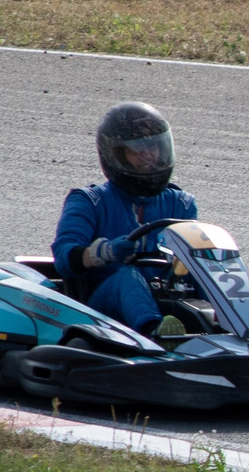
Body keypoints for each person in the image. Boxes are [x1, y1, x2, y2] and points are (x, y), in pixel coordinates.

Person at [53, 101, 196, 338]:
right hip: (103, 308)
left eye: (153, 147)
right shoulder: (89, 201)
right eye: (137, 149)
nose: (148, 156)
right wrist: (105, 253)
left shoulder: (181, 204)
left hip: (165, 295)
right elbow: (64, 258)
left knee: (210, 267)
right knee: (127, 275)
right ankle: (154, 333)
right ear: (115, 155)